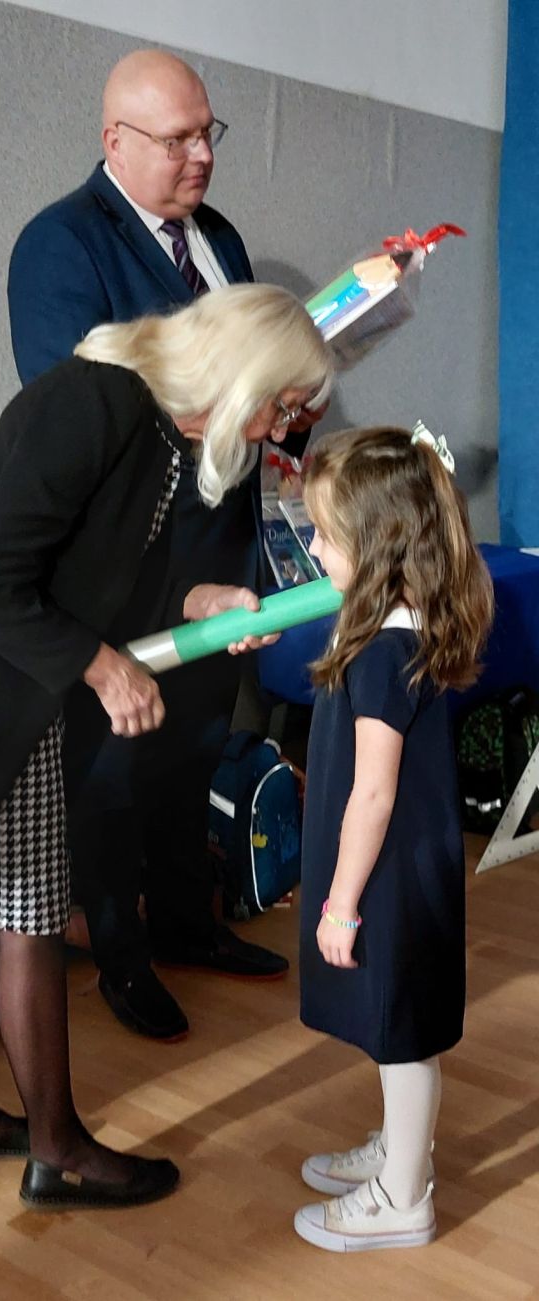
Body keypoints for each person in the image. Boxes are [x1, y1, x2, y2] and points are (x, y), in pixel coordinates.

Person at [0, 284, 331, 1211]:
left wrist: (203, 603)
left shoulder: (154, 432)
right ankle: (57, 1148)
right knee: (28, 913)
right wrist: (102, 668)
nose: (277, 428)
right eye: (281, 403)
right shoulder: (92, 403)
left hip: (12, 694)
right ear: (242, 374)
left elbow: (102, 584)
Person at [8, 48, 328, 1042]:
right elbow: (71, 406)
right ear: (115, 139)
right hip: (129, 555)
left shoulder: (218, 238)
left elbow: (246, 380)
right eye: (178, 138)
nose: (202, 155)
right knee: (115, 764)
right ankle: (122, 957)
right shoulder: (60, 244)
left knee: (192, 745)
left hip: (219, 545)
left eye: (207, 133)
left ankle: (189, 921)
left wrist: (289, 414)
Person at [291, 425, 493, 1251]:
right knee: (394, 1025)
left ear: (375, 546)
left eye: (324, 534)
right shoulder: (396, 626)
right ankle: (400, 1150)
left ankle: (404, 1195)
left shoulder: (383, 651)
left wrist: (340, 903)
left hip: (387, 876)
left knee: (402, 1032)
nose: (312, 547)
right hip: (405, 865)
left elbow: (373, 792)